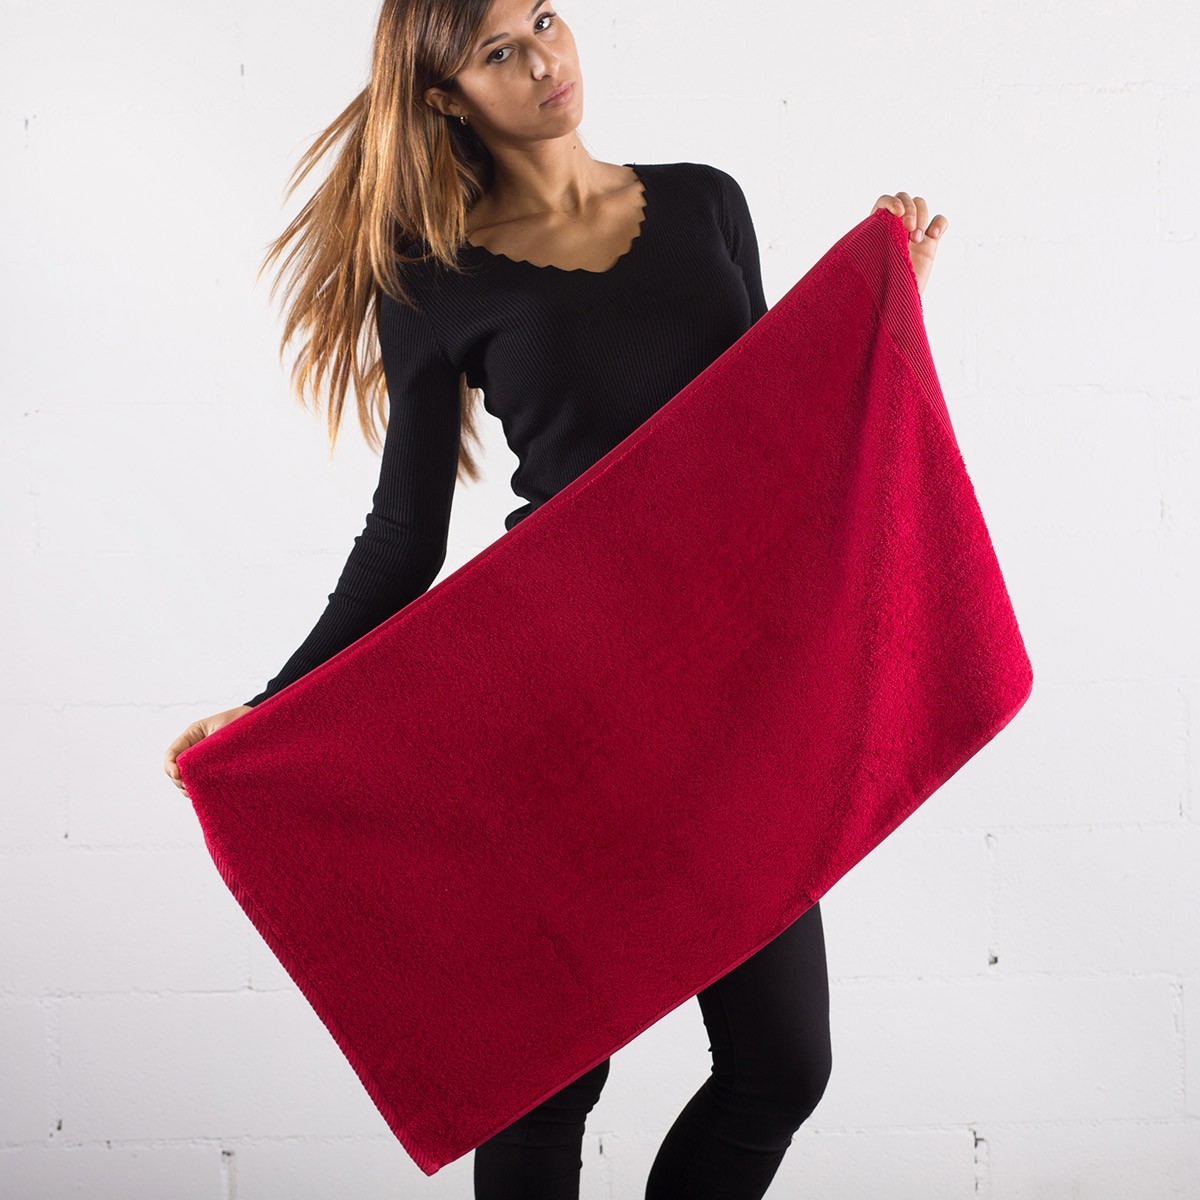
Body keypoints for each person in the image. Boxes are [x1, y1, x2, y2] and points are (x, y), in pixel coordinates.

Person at [164, 0, 947, 1194]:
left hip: (723, 709)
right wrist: (273, 709)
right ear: (446, 98)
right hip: (563, 711)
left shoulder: (706, 203)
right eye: (499, 52)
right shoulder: (432, 280)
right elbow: (402, 539)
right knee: (546, 1086)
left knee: (782, 1065)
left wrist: (889, 310)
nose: (544, 60)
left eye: (544, 18)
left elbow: (781, 432)